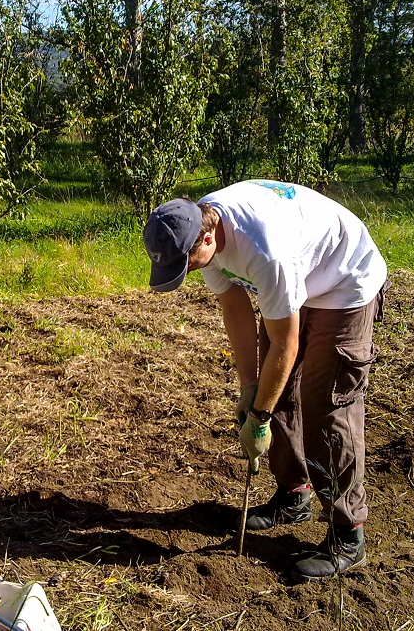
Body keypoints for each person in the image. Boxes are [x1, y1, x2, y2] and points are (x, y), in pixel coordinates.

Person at [143, 179, 389, 582]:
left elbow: (286, 345)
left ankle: (348, 533)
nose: (185, 271)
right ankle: (295, 494)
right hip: (301, 276)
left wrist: (258, 418)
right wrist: (249, 389)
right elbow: (236, 307)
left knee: (325, 407)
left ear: (207, 237)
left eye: (186, 263)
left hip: (345, 280)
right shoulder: (196, 227)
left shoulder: (262, 250)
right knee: (277, 391)